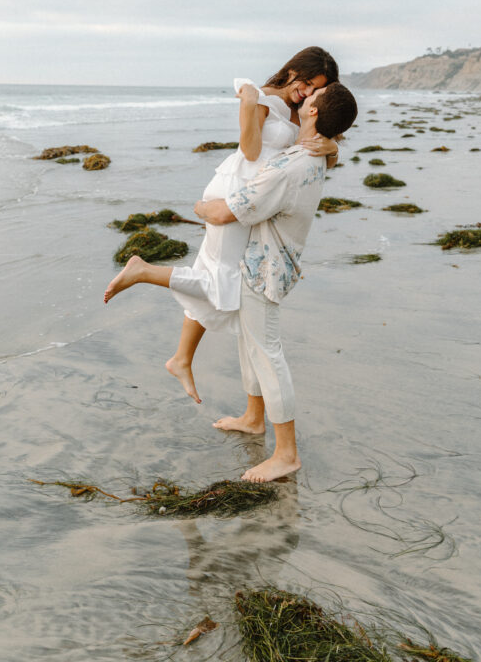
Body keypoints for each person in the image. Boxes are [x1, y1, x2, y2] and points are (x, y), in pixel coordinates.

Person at [104, 81, 359, 482]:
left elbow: (229, 212)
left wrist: (199, 207)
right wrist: (333, 146)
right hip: (262, 263)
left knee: (267, 354)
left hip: (265, 269)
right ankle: (254, 417)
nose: (306, 97)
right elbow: (312, 154)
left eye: (313, 97)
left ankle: (287, 453)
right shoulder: (308, 153)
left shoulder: (294, 166)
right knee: (250, 342)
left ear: (313, 112)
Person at [104, 47, 340, 405]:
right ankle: (143, 271)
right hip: (236, 192)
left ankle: (182, 359)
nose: (306, 92)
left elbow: (315, 155)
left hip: (258, 198)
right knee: (223, 281)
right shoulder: (259, 97)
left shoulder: (300, 111)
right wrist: (246, 105)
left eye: (315, 89)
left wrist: (331, 145)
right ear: (292, 70)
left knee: (221, 277)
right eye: (306, 82)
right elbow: (249, 150)